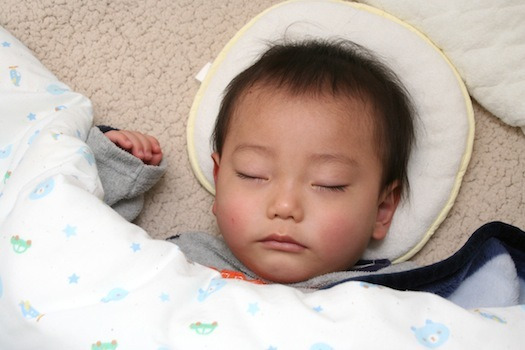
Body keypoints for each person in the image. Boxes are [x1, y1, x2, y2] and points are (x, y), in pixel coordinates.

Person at [88, 39, 417, 287]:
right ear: (220, 182)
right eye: (253, 174)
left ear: (382, 208)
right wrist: (116, 167)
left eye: (328, 183)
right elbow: (88, 251)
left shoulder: (397, 295)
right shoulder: (185, 259)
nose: (284, 206)